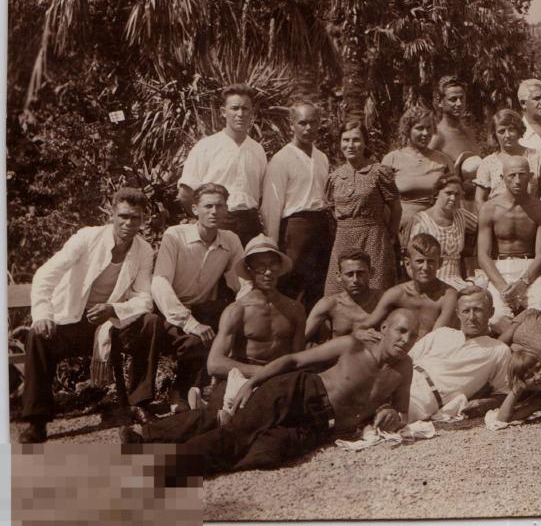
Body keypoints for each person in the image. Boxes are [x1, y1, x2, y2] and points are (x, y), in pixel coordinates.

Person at [126, 309, 418, 480]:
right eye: (401, 331)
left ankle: (151, 439)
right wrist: (252, 382)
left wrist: (391, 414)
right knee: (236, 435)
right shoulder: (353, 345)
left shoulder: (404, 369)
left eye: (413, 335)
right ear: (384, 328)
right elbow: (294, 360)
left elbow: (402, 412)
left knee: (264, 452)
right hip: (299, 391)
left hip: (318, 426)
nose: (405, 340)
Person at [19, 188, 157, 443]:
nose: (128, 223)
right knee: (38, 337)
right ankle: (37, 421)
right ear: (111, 215)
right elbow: (45, 274)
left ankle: (140, 404)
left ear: (143, 219)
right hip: (72, 320)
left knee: (150, 323)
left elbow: (144, 298)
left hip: (110, 323)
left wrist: (113, 309)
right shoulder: (87, 238)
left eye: (135, 218)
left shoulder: (144, 250)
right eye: (123, 216)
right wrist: (43, 314)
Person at [148, 183, 246, 411]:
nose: (214, 212)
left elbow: (241, 283)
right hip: (169, 310)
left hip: (205, 309)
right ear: (195, 209)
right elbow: (160, 282)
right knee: (195, 341)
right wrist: (190, 323)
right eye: (208, 206)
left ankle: (220, 395)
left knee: (237, 333)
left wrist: (248, 308)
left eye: (220, 206)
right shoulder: (175, 235)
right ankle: (179, 394)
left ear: (226, 209)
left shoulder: (230, 240)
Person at [202, 236, 306, 412]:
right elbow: (214, 363)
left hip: (281, 380)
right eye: (260, 267)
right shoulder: (237, 310)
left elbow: (298, 358)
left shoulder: (295, 309)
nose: (268, 272)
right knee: (226, 413)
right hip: (244, 377)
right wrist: (263, 372)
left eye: (273, 265)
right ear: (249, 270)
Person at [260, 100, 331, 312]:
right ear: (292, 124)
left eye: (313, 122)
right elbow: (271, 205)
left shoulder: (321, 158)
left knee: (317, 284)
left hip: (320, 226)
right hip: (295, 229)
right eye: (302, 123)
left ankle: (313, 330)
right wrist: (272, 243)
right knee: (291, 283)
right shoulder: (281, 160)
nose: (308, 128)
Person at [179, 83, 267, 245]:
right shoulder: (206, 147)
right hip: (218, 222)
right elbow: (185, 194)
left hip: (250, 224)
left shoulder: (258, 150)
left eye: (245, 109)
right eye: (234, 108)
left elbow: (261, 196)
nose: (240, 114)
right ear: (223, 112)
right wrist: (205, 220)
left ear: (252, 112)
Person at [407, 287, 512, 422]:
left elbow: (504, 393)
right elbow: (405, 360)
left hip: (426, 397)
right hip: (405, 378)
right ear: (458, 313)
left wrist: (485, 403)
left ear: (491, 312)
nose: (472, 317)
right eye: (466, 311)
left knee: (387, 416)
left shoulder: (499, 350)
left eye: (478, 310)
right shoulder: (441, 333)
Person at [324, 118, 400, 293]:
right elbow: (333, 210)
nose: (350, 145)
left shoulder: (379, 172)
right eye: (346, 140)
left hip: (374, 238)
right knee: (337, 291)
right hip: (343, 239)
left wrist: (389, 236)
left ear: (365, 143)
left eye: (356, 140)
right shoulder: (334, 177)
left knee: (375, 288)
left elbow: (396, 208)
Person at [476, 156, 541, 331]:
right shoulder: (489, 208)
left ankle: (524, 342)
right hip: (499, 268)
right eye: (512, 175)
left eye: (522, 175)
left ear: (530, 176)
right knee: (495, 318)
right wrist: (503, 288)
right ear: (502, 178)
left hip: (529, 269)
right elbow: (483, 255)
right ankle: (516, 342)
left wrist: (523, 283)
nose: (517, 180)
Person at [382, 106, 456, 247]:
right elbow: (381, 202)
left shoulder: (443, 160)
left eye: (429, 128)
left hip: (435, 229)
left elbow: (454, 194)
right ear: (407, 130)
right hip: (399, 228)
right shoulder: (392, 159)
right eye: (419, 128)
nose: (425, 133)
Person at [360, 233, 458, 339]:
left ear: (440, 263)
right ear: (407, 263)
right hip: (398, 346)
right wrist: (369, 334)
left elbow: (435, 339)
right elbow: (362, 327)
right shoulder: (397, 294)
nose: (425, 267)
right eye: (419, 261)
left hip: (432, 347)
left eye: (431, 261)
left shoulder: (448, 296)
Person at [410, 174, 479, 292]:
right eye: (448, 193)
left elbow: (482, 226)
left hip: (458, 280)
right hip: (430, 281)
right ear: (437, 193)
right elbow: (414, 258)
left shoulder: (460, 215)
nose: (453, 198)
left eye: (457, 194)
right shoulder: (422, 221)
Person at [305, 250, 382, 344]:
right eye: (349, 274)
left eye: (360, 273)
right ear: (339, 276)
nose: (355, 280)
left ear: (371, 273)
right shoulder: (330, 304)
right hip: (338, 353)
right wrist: (354, 336)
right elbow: (302, 337)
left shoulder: (383, 300)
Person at [474, 109, 541, 205]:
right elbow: (479, 199)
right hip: (498, 213)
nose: (507, 135)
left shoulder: (536, 156)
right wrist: (488, 214)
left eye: (511, 129)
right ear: (494, 134)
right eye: (501, 131)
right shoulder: (488, 163)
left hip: (532, 211)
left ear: (519, 130)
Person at [428, 76, 481, 164]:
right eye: (453, 99)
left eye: (462, 98)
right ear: (440, 102)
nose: (459, 103)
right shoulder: (437, 136)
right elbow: (420, 168)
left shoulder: (469, 132)